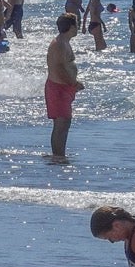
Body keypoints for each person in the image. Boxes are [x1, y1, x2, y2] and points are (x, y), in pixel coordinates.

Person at [45, 13, 84, 162]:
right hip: (58, 88)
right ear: (71, 26)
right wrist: (73, 83)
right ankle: (58, 155)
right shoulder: (59, 44)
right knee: (62, 123)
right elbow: (59, 68)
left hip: (63, 88)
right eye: (77, 23)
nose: (78, 26)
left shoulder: (65, 41)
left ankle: (59, 154)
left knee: (64, 122)